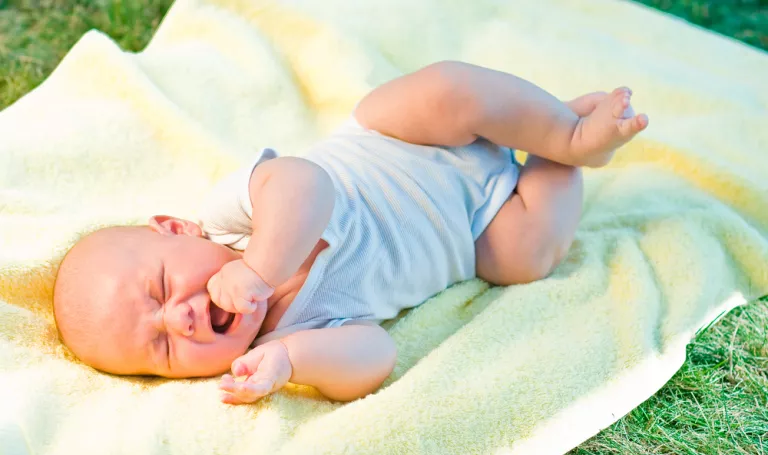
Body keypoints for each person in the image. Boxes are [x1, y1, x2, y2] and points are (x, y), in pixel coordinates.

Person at [53, 60, 648, 403]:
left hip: (404, 139)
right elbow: (376, 355)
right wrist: (292, 361)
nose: (179, 318)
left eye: (160, 290)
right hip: (476, 228)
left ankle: (561, 129)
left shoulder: (228, 221)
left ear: (175, 228)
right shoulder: (280, 339)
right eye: (162, 349)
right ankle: (562, 156)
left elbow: (306, 186)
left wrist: (260, 268)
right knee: (525, 256)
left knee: (443, 91)